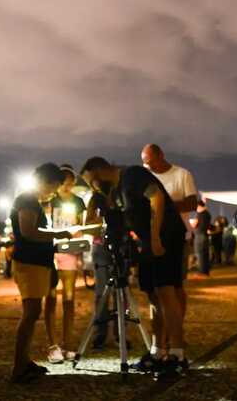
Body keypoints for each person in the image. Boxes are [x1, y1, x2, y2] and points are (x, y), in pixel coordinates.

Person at [81, 157, 188, 379]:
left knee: (166, 292)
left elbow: (157, 198)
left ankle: (177, 354)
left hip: (166, 236)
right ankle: (158, 351)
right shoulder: (116, 192)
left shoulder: (132, 175)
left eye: (92, 180)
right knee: (153, 295)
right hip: (148, 242)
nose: (93, 186)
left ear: (99, 170)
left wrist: (156, 237)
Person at [9, 163, 73, 383]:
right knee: (30, 313)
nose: (54, 192)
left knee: (32, 312)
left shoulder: (29, 200)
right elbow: (28, 232)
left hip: (35, 263)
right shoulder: (27, 200)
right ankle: (19, 367)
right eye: (54, 187)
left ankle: (24, 362)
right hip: (30, 264)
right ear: (48, 182)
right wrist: (58, 234)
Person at [141, 144, 197, 343]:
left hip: (178, 237)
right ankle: (161, 333)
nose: (148, 166)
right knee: (156, 288)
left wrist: (163, 206)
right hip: (154, 237)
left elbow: (192, 203)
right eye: (145, 163)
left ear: (161, 156)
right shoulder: (147, 178)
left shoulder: (182, 175)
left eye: (150, 161)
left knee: (176, 286)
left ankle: (176, 330)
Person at [44, 165, 86, 363]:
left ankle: (68, 344)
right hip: (52, 250)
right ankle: (53, 346)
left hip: (70, 250)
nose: (68, 185)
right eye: (64, 182)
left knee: (69, 299)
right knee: (50, 298)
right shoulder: (50, 201)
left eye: (71, 181)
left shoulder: (78, 202)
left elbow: (81, 225)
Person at [86, 188, 114, 349]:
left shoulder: (118, 194)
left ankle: (120, 332)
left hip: (117, 246)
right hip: (100, 247)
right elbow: (88, 223)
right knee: (101, 292)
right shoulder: (96, 199)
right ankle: (100, 333)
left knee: (121, 293)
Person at [193, 200, 212, 276]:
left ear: (198, 205)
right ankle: (206, 271)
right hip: (205, 235)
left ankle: (201, 272)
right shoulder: (207, 214)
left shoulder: (200, 214)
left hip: (199, 236)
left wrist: (193, 223)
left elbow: (195, 224)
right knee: (205, 254)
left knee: (199, 254)